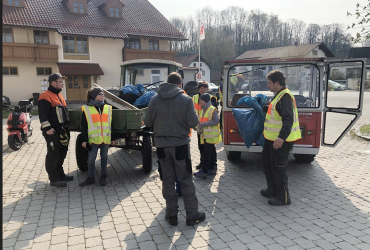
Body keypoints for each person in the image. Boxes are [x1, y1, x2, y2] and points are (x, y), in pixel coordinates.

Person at [144, 72, 206, 226]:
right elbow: (193, 122)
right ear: (180, 84)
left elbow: (147, 121)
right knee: (185, 180)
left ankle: (171, 215)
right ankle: (192, 215)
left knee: (167, 180)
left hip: (162, 147)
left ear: (167, 82)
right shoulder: (185, 99)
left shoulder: (154, 99)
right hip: (180, 146)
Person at [261, 70, 301, 206]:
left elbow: (288, 119)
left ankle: (283, 198)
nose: (268, 86)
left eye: (270, 83)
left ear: (277, 83)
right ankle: (272, 190)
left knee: (279, 168)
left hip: (280, 141)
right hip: (271, 139)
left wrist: (281, 138)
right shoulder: (278, 95)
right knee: (268, 164)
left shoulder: (285, 97)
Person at [38, 73, 72, 187]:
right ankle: (54, 179)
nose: (63, 84)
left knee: (62, 153)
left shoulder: (60, 96)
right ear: (53, 83)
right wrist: (47, 128)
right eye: (61, 82)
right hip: (53, 132)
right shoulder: (45, 96)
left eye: (63, 81)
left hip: (63, 131)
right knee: (53, 154)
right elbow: (43, 115)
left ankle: (60, 174)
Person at [79, 88, 115, 187]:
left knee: (104, 157)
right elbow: (84, 126)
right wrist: (84, 140)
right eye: (100, 94)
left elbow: (112, 124)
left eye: (103, 94)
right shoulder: (86, 109)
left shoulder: (108, 107)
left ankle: (103, 176)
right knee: (91, 159)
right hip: (93, 139)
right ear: (94, 96)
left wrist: (112, 138)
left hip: (105, 138)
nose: (102, 95)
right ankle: (90, 178)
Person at [193, 94, 222, 179]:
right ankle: (212, 169)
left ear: (205, 101)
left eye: (201, 100)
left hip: (211, 136)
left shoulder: (212, 109)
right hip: (207, 136)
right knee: (211, 153)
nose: (199, 102)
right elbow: (201, 121)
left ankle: (204, 171)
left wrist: (203, 124)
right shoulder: (203, 110)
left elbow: (216, 121)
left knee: (206, 154)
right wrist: (197, 127)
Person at [192, 81, 218, 170]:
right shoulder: (194, 98)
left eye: (204, 88)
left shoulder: (212, 99)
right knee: (201, 146)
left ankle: (213, 164)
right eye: (201, 88)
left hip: (209, 128)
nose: (202, 90)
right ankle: (203, 162)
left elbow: (214, 114)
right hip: (199, 126)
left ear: (207, 89)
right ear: (198, 89)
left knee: (210, 147)